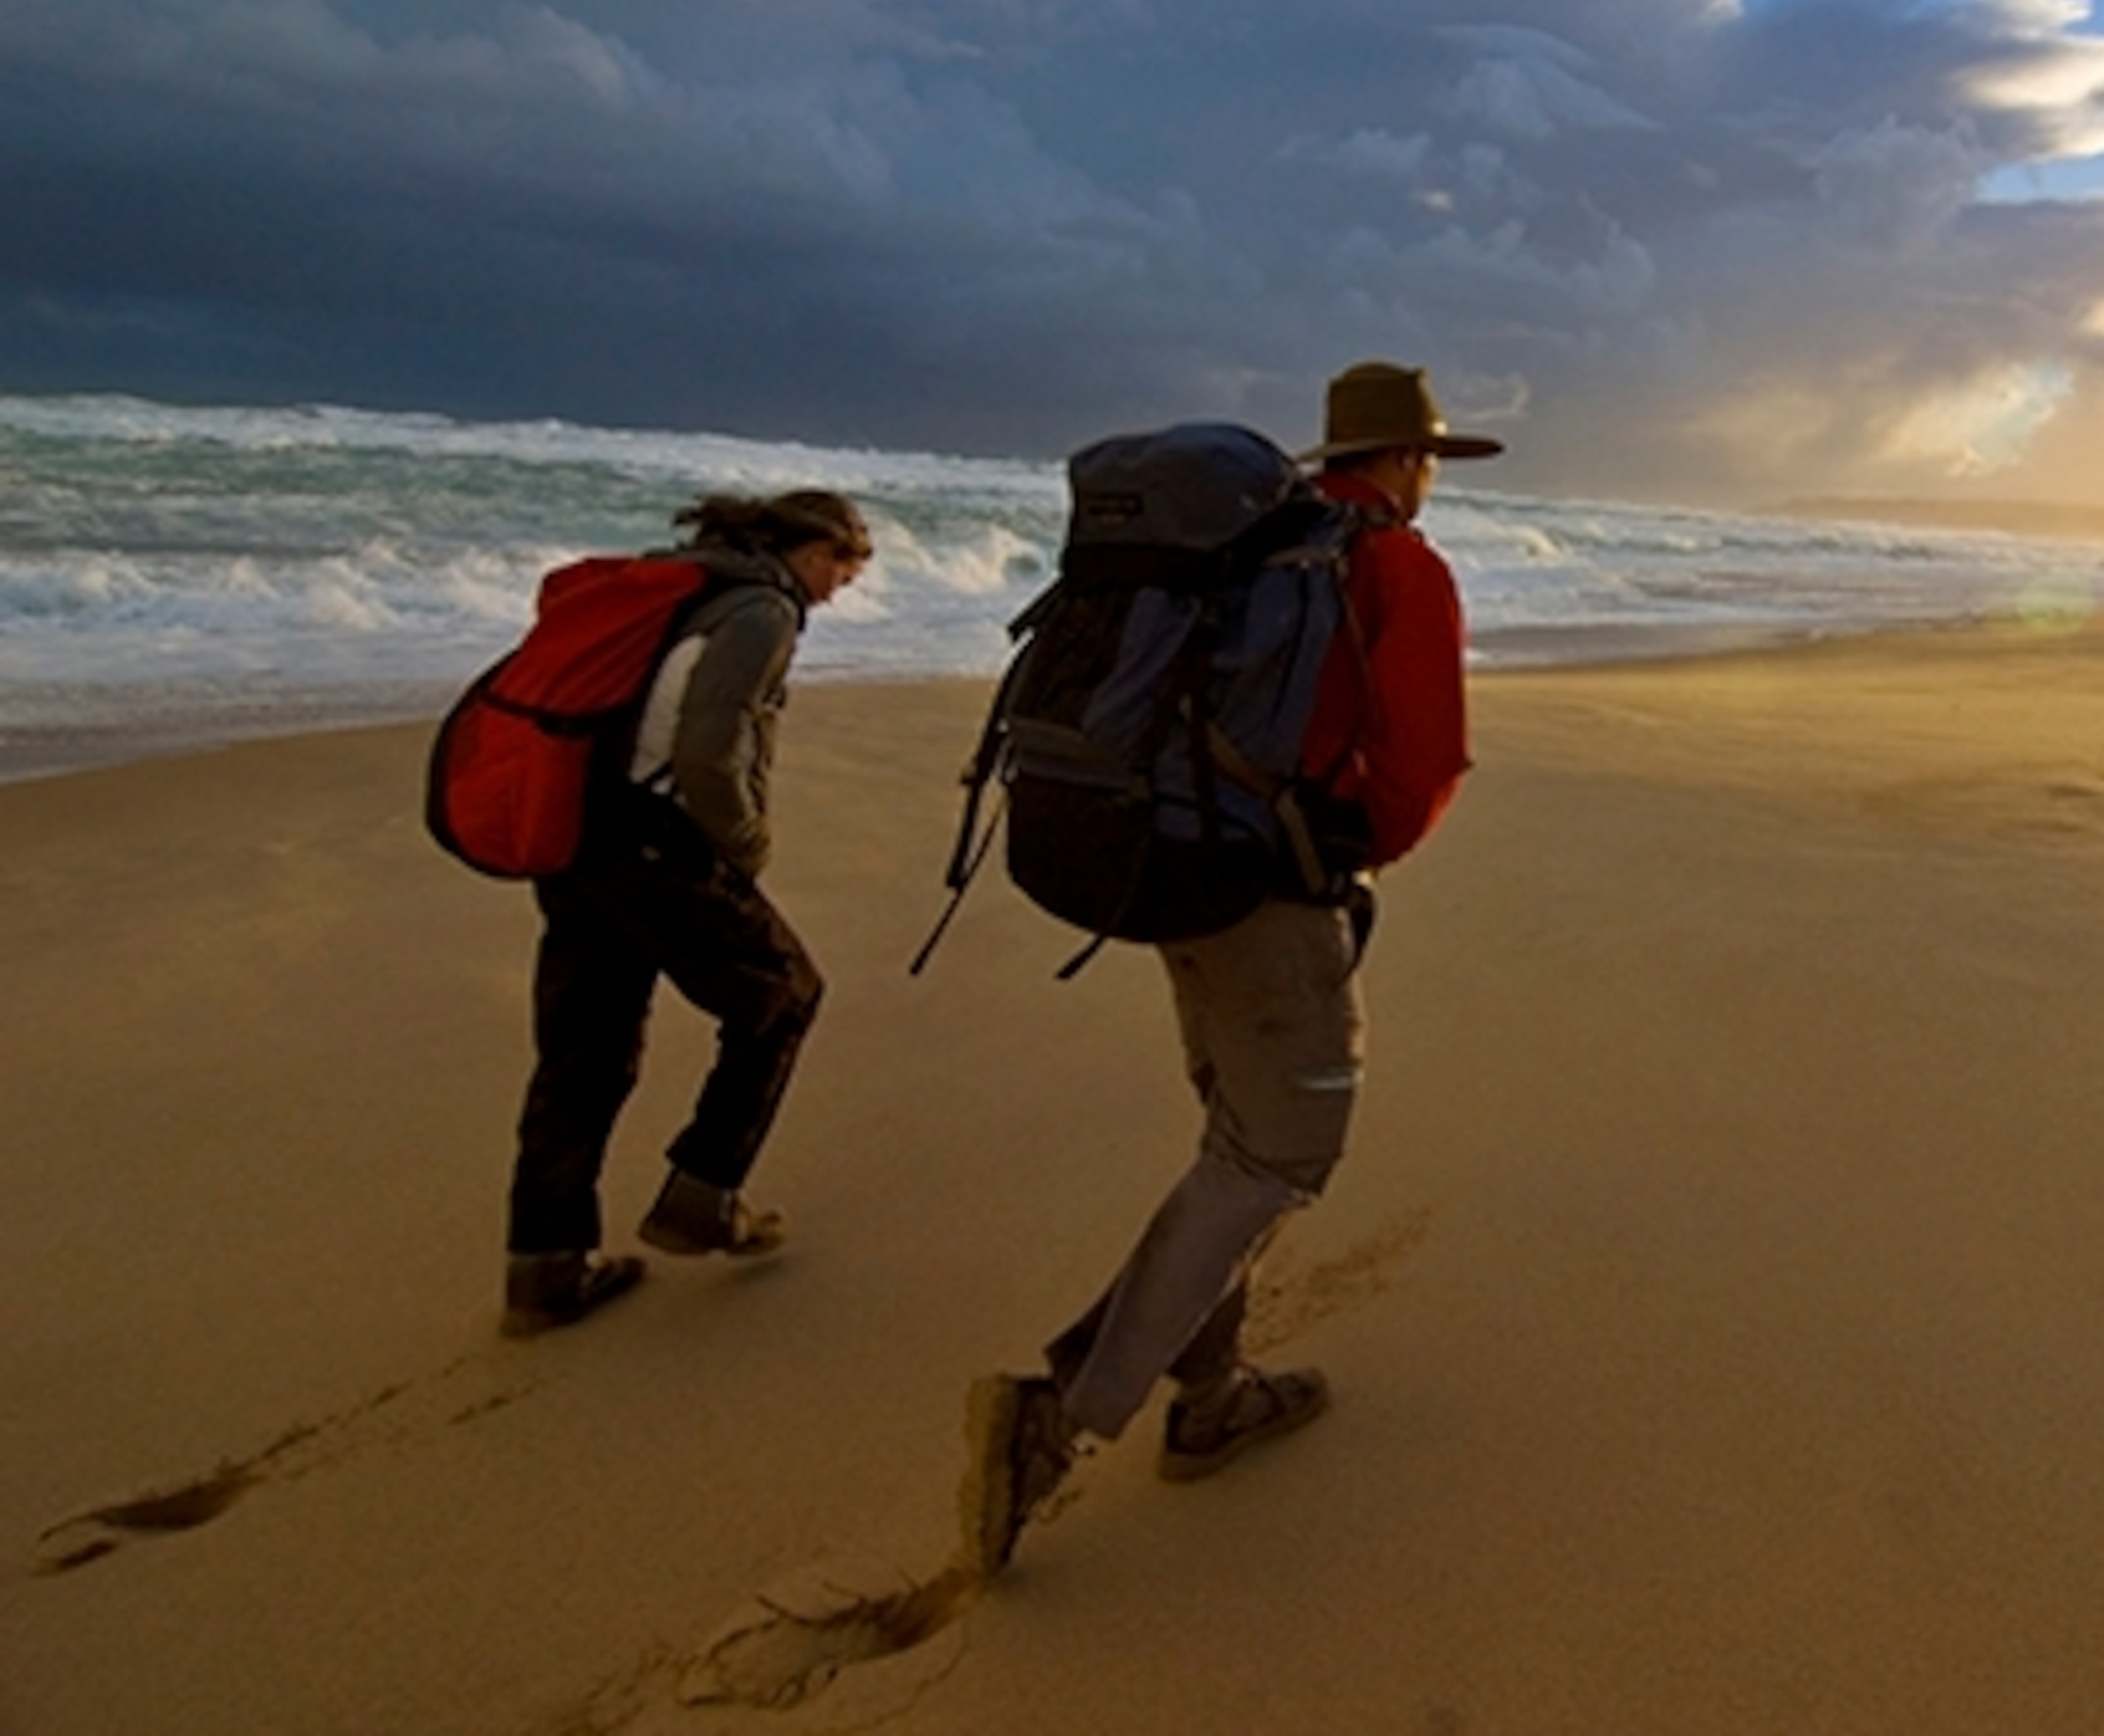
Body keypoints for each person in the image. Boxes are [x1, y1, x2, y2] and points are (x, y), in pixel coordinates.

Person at [960, 362, 1501, 1569]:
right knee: (1278, 1151)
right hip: (1267, 889)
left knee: (1233, 1137)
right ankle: (1057, 1415)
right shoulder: (1396, 563)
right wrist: (1352, 855)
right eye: (1429, 459)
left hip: (1165, 857)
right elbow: (1422, 767)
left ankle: (1211, 1399)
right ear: (1412, 461)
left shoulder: (1248, 546)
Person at [499, 488, 873, 1338]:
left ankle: (543, 1266)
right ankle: (703, 1193)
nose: (833, 591)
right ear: (805, 548)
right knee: (785, 993)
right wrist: (744, 846)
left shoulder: (687, 583)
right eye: (835, 570)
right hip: (655, 843)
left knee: (583, 1050)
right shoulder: (761, 609)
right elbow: (709, 747)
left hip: (576, 835)